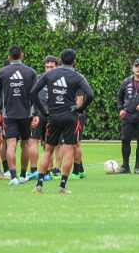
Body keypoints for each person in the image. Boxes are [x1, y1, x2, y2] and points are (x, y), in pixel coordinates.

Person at [29, 48, 94, 194]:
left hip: (53, 116)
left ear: (60, 60)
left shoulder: (50, 74)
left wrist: (43, 111)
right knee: (69, 149)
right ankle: (62, 186)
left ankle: (39, 185)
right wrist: (80, 109)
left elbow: (33, 92)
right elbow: (90, 94)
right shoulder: (77, 76)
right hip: (70, 117)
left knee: (48, 149)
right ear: (74, 61)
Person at [0, 45, 37, 185]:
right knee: (25, 144)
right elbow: (35, 94)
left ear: (9, 57)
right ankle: (23, 175)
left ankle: (13, 177)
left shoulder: (2, 72)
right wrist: (35, 113)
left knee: (10, 145)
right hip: (26, 114)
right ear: (22, 55)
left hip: (9, 114)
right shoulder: (30, 72)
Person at [28, 56, 61, 180]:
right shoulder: (38, 78)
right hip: (38, 113)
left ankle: (46, 172)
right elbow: (32, 95)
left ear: (57, 66)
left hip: (51, 115)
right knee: (33, 142)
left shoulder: (59, 79)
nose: (48, 69)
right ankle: (34, 171)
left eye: (51, 67)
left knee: (48, 144)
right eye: (46, 67)